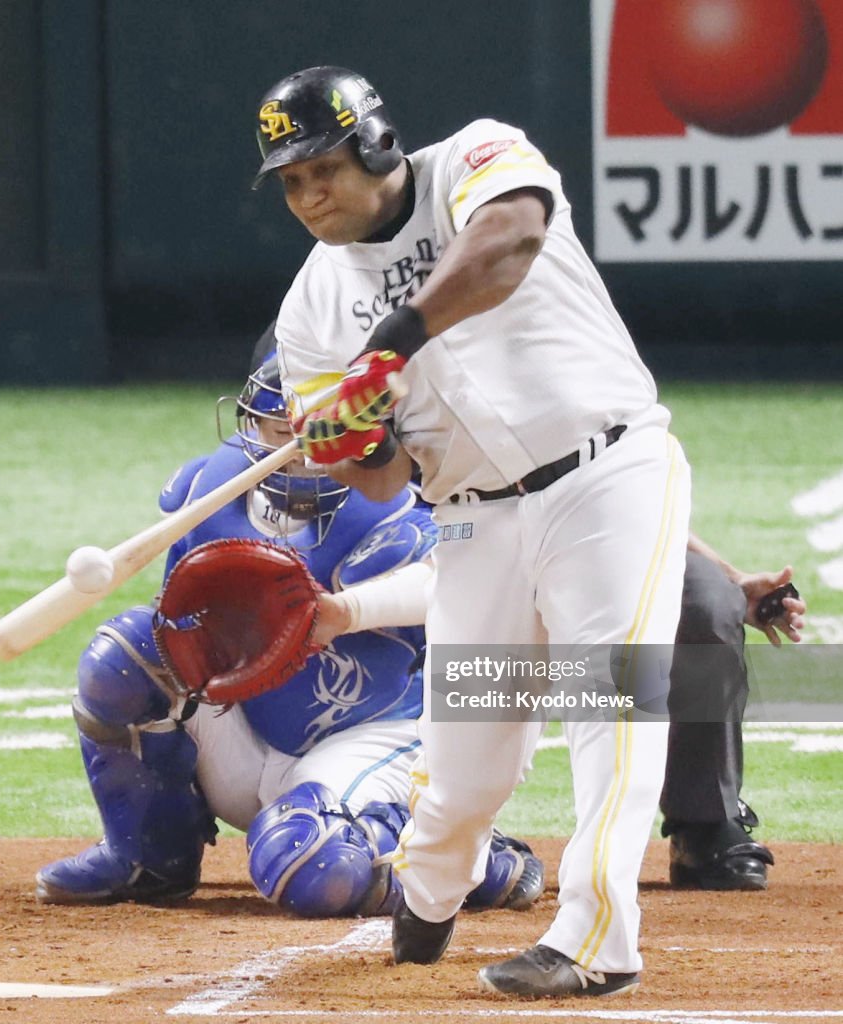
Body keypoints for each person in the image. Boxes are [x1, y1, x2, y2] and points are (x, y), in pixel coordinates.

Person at [254, 66, 692, 997]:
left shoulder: (472, 160)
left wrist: (389, 346)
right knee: (463, 763)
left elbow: (511, 240)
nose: (308, 195)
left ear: (374, 144)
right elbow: (377, 480)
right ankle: (430, 885)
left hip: (605, 475)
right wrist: (352, 437)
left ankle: (595, 937)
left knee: (609, 709)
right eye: (289, 181)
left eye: (320, 167)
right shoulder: (311, 307)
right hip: (470, 522)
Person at [35, 357, 544, 919]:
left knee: (311, 868)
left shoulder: (416, 490)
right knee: (127, 657)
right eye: (279, 431)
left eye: (319, 434)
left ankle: (463, 861)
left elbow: (444, 584)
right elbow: (177, 631)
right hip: (246, 729)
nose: (297, 450)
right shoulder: (210, 489)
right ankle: (149, 859)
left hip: (373, 733)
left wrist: (342, 611)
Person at [663, 536, 805, 890]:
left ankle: (703, 821)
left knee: (710, 600)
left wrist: (733, 577)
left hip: (609, 529)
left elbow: (651, 502)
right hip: (506, 534)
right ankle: (497, 821)